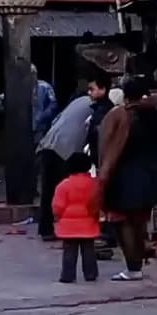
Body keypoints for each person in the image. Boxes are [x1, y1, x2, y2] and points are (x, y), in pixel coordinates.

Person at [98, 79, 157, 273]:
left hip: (124, 175)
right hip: (148, 174)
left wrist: (103, 176)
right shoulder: (153, 115)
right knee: (139, 222)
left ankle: (133, 268)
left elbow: (110, 147)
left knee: (122, 221)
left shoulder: (121, 115)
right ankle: (138, 265)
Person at [38, 72, 106, 213]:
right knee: (68, 192)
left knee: (48, 192)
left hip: (49, 144)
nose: (90, 92)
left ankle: (47, 224)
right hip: (65, 151)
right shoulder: (98, 107)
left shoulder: (79, 101)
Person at [49, 154, 106, 282]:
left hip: (68, 225)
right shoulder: (94, 184)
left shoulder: (63, 185)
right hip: (89, 222)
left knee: (69, 251)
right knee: (89, 251)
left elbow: (57, 206)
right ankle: (90, 274)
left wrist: (58, 217)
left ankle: (67, 276)